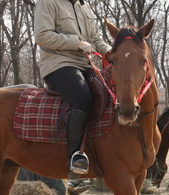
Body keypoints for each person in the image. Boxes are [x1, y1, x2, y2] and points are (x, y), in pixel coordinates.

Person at [34, 0, 111, 179]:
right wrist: (76, 43)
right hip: (58, 63)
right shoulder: (47, 3)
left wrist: (109, 51)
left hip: (85, 65)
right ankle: (75, 157)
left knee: (107, 94)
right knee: (83, 98)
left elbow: (95, 38)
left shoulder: (84, 6)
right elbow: (42, 36)